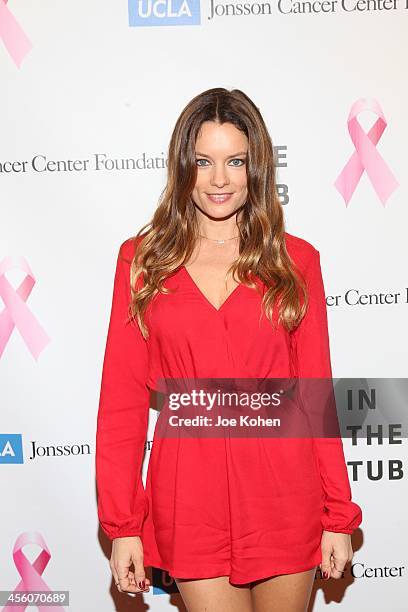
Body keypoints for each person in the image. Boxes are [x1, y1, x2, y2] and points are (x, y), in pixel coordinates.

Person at [95, 87, 362, 611]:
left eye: (235, 161)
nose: (220, 179)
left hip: (284, 491)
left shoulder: (295, 261)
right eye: (203, 161)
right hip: (189, 494)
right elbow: (121, 403)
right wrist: (124, 524)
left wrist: (338, 514)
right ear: (182, 167)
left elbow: (315, 397)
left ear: (256, 166)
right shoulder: (142, 261)